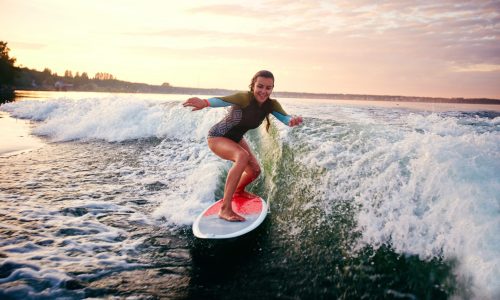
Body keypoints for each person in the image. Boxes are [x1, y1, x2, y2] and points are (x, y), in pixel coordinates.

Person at [183, 70, 303, 222]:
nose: (263, 91)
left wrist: (292, 121)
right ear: (253, 85)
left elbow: (285, 118)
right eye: (260, 86)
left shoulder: (271, 105)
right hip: (217, 137)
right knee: (242, 156)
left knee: (254, 171)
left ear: (272, 88)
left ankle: (238, 191)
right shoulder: (244, 97)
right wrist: (205, 102)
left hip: (236, 139)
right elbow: (221, 100)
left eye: (268, 88)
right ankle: (225, 209)